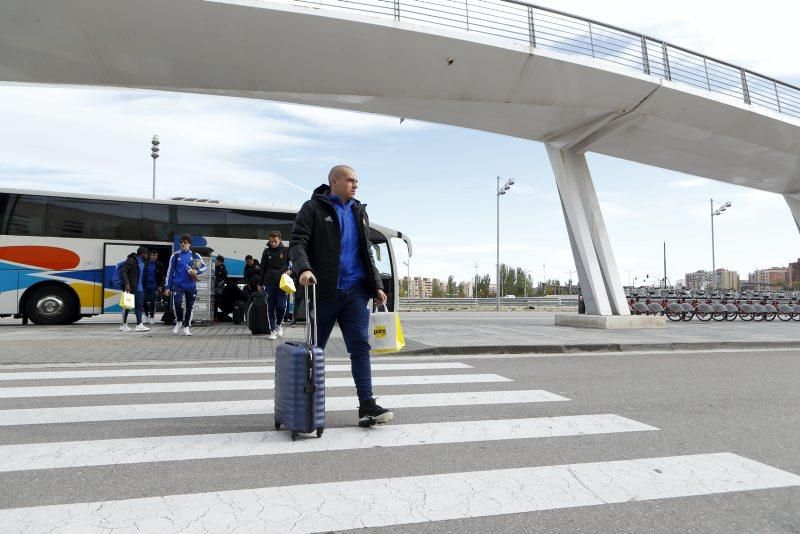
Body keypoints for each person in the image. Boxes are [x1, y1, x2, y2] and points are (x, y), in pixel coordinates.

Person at [289, 164, 393, 427]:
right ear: (333, 182)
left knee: (360, 348)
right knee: (314, 351)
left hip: (356, 292)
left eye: (357, 180)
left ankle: (367, 406)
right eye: (350, 180)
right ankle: (305, 408)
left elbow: (366, 252)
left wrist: (377, 285)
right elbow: (298, 241)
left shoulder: (359, 211)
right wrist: (304, 269)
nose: (355, 184)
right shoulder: (313, 208)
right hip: (323, 291)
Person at [165, 234, 207, 336]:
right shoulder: (175, 256)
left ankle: (187, 327)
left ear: (189, 244)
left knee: (189, 307)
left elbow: (204, 267)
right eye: (182, 242)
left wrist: (196, 272)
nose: (183, 244)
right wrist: (167, 287)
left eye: (186, 242)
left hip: (191, 286)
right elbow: (170, 272)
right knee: (178, 304)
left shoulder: (195, 255)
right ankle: (179, 321)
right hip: (178, 285)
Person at [260, 231, 292, 340]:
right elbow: (262, 268)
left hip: (282, 283)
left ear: (280, 240)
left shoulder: (286, 250)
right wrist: (260, 283)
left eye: (275, 241)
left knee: (282, 306)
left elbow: (292, 265)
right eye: (271, 241)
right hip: (269, 282)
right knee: (271, 307)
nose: (273, 243)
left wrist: (289, 271)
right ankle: (272, 330)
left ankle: (279, 324)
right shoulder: (266, 252)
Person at [119, 246, 150, 332]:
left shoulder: (143, 262)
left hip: (139, 288)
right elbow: (123, 271)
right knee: (127, 306)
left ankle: (139, 324)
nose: (148, 255)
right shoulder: (132, 260)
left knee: (139, 306)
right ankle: (123, 324)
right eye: (147, 254)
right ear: (143, 253)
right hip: (130, 287)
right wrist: (126, 284)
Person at [143, 250, 165, 324]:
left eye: (156, 255)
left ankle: (152, 317)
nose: (155, 257)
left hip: (154, 287)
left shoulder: (159, 265)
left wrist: (160, 286)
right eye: (153, 255)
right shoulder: (145, 264)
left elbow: (161, 277)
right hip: (145, 286)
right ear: (150, 256)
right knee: (144, 301)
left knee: (153, 302)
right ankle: (146, 315)